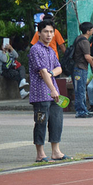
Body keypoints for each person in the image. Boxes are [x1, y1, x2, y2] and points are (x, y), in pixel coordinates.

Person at [28, 19, 72, 163]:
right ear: (39, 33)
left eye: (51, 32)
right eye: (45, 31)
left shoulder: (51, 50)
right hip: (41, 93)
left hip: (54, 94)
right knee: (41, 122)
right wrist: (53, 88)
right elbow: (42, 71)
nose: (49, 35)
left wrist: (52, 74)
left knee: (56, 121)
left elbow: (59, 68)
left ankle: (56, 151)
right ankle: (40, 154)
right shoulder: (36, 49)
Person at [73, 22, 93, 118]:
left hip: (77, 67)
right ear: (88, 31)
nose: (92, 31)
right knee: (81, 90)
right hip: (81, 68)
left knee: (79, 90)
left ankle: (82, 109)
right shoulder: (85, 41)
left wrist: (92, 58)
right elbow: (86, 56)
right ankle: (81, 111)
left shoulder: (79, 38)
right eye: (91, 29)